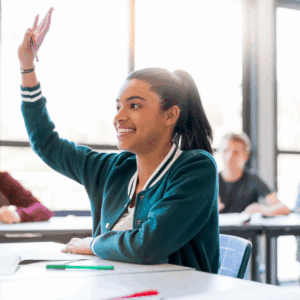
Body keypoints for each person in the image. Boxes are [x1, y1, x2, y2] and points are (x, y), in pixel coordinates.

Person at [17, 8, 219, 273]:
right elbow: (46, 143)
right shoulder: (112, 170)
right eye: (118, 107)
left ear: (169, 114)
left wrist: (94, 244)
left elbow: (148, 245)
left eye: (134, 106)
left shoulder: (196, 169)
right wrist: (26, 67)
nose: (119, 117)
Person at [218, 133, 290, 216]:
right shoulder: (211, 181)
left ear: (246, 156)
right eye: (225, 151)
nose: (229, 156)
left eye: (236, 152)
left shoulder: (253, 180)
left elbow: (284, 208)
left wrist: (261, 209)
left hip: (245, 228)